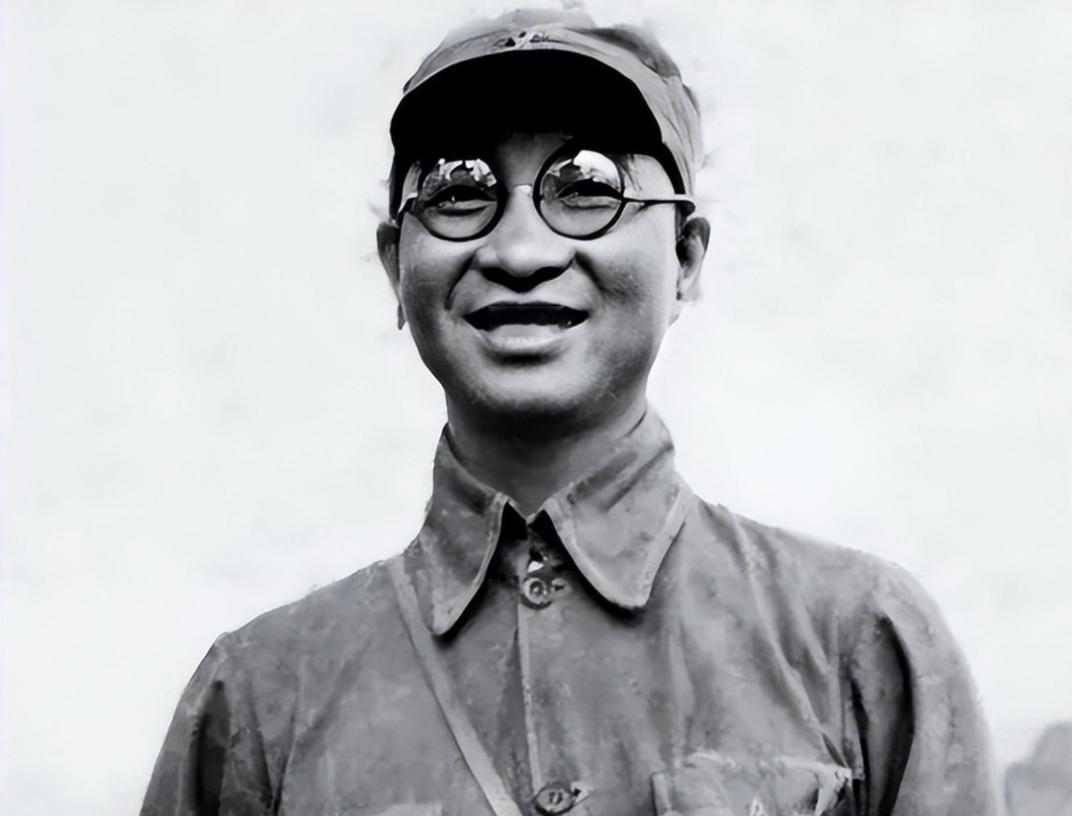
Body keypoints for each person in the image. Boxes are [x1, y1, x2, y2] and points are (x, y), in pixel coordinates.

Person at [141, 8, 1000, 815]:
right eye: (458, 189)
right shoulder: (259, 698)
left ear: (686, 258)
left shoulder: (859, 640)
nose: (520, 250)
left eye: (587, 185)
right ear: (396, 265)